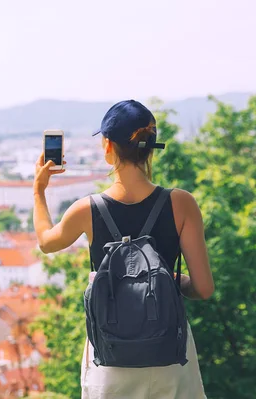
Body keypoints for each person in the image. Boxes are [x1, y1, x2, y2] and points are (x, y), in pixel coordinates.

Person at [33, 100, 214, 399]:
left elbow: (45, 242)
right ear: (152, 147)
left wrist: (39, 191)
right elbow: (204, 288)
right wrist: (167, 279)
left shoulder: (86, 210)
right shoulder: (182, 204)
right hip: (169, 356)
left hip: (110, 361)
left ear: (108, 146)